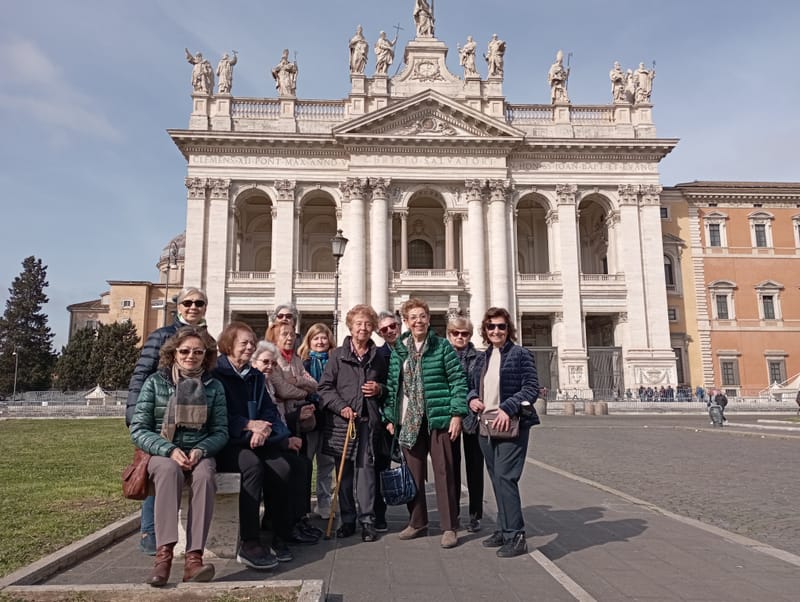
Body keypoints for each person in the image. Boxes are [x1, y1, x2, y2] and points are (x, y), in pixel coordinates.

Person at [213, 323, 320, 570]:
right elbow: (218, 416)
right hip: (228, 442)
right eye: (244, 343)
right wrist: (248, 426)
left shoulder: (253, 377)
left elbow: (270, 413)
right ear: (229, 345)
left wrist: (272, 433)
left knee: (284, 466)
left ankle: (280, 534)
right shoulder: (217, 374)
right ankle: (250, 542)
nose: (250, 346)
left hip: (259, 439)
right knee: (252, 467)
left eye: (252, 342)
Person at [129, 326, 228, 586]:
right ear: (173, 353)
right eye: (184, 351)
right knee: (167, 471)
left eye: (198, 351)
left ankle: (194, 559)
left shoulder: (214, 386)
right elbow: (139, 429)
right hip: (163, 448)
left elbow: (220, 431)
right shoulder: (155, 382)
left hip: (198, 450)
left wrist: (201, 450)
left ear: (206, 356)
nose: (190, 356)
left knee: (206, 475)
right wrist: (169, 449)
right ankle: (163, 558)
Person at [125, 286, 209, 556]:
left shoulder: (206, 338)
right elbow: (141, 373)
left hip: (193, 413)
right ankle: (150, 530)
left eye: (199, 303)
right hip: (162, 414)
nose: (193, 307)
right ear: (178, 306)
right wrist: (133, 411)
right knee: (155, 469)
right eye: (187, 303)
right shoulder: (161, 335)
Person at [384, 298, 468, 549]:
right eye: (413, 317)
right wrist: (390, 417)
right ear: (406, 322)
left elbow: (458, 381)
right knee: (413, 474)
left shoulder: (442, 347)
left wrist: (457, 414)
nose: (418, 321)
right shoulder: (400, 350)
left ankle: (449, 526)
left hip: (438, 418)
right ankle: (417, 521)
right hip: (409, 419)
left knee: (444, 472)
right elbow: (392, 387)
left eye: (422, 316)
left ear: (429, 320)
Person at [468, 307, 539, 558]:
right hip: (485, 424)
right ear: (485, 331)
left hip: (512, 424)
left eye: (501, 326)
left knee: (507, 477)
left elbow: (531, 388)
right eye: (491, 327)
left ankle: (516, 535)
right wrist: (472, 399)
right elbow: (471, 386)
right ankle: (503, 527)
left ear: (509, 329)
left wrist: (508, 409)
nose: (496, 331)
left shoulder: (521, 355)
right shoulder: (481, 358)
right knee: (496, 478)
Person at [318, 305, 388, 542]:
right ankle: (348, 519)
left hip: (367, 421)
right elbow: (325, 388)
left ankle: (367, 520)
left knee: (366, 470)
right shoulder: (337, 355)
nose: (363, 328)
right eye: (359, 323)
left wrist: (379, 389)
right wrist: (341, 407)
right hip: (342, 422)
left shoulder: (378, 356)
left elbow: (389, 388)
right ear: (350, 326)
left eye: (368, 324)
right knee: (344, 473)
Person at [446, 316, 484, 533]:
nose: (460, 337)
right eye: (456, 333)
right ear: (449, 334)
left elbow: (481, 383)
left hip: (473, 419)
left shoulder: (480, 358)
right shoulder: (443, 357)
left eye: (465, 334)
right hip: (451, 418)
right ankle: (453, 513)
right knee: (451, 467)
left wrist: (474, 397)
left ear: (470, 335)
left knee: (475, 468)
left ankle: (476, 514)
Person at [298, 323, 337, 520]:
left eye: (323, 338)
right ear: (309, 341)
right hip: (310, 418)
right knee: (305, 463)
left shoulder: (335, 361)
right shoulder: (302, 363)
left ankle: (324, 503)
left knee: (326, 463)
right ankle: (302, 505)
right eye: (316, 338)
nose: (320, 342)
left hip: (329, 418)